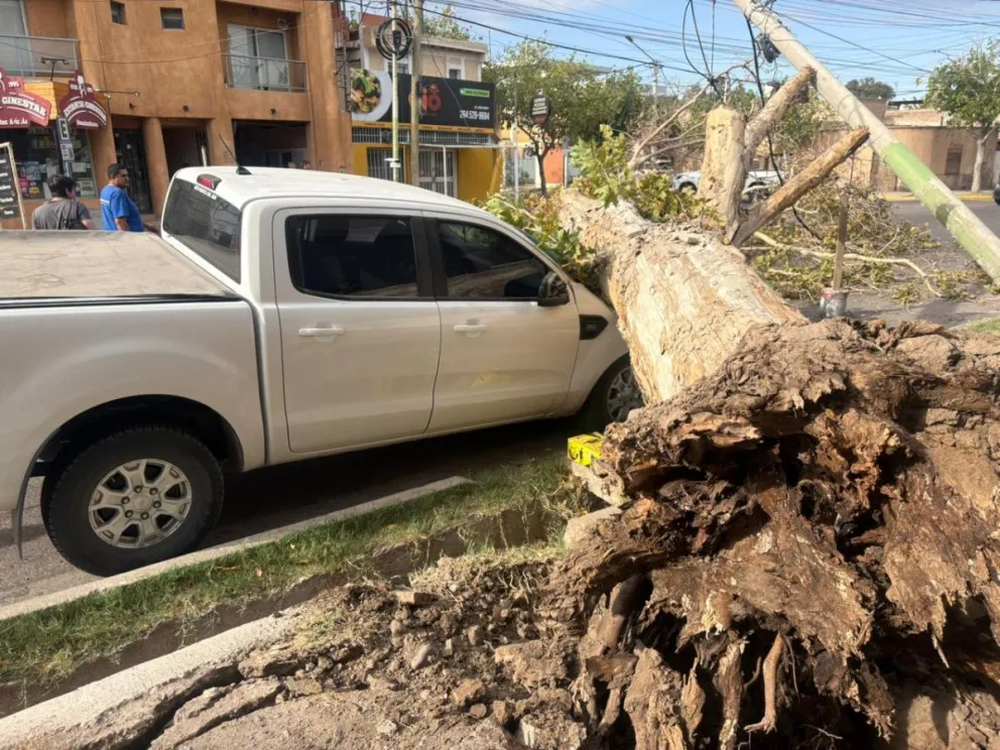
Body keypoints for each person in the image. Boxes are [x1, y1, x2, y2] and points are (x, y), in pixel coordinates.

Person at [101, 163, 143, 232]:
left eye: (127, 175)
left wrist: (146, 225)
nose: (127, 178)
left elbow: (130, 218)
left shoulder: (105, 190)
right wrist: (126, 239)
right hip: (128, 238)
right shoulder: (117, 193)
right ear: (113, 177)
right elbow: (120, 221)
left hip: (112, 236)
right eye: (123, 176)